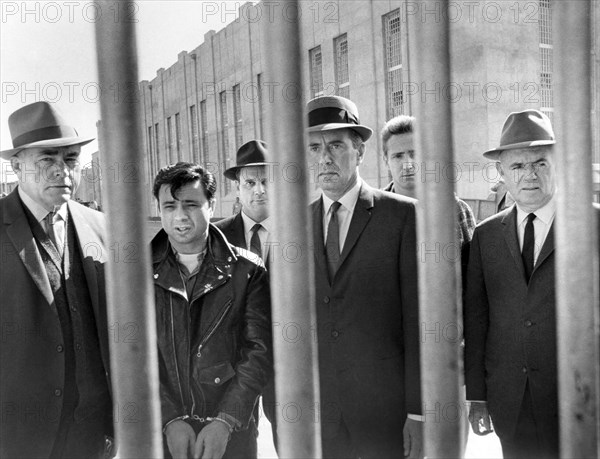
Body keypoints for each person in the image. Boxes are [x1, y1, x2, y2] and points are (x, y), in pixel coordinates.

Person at [464, 109, 600, 458]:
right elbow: (478, 320)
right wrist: (477, 395)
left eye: (540, 162)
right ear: (501, 173)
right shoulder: (486, 235)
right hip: (511, 399)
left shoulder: (592, 223)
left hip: (580, 399)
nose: (529, 175)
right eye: (518, 166)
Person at [306, 95, 422, 458]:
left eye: (336, 145)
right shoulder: (291, 226)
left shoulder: (404, 217)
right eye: (314, 147)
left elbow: (420, 322)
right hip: (316, 417)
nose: (324, 157)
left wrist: (417, 411)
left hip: (385, 416)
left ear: (360, 152)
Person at [0, 101, 113, 458]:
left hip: (93, 432)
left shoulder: (103, 227)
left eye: (70, 159)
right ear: (17, 166)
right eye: (46, 159)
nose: (61, 171)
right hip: (17, 434)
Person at [151, 162, 272, 459]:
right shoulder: (135, 273)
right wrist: (168, 421)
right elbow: (131, 357)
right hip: (161, 435)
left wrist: (225, 421)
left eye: (191, 204)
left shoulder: (247, 270)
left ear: (212, 205)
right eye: (169, 206)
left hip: (230, 434)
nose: (179, 216)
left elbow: (259, 351)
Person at [381, 114, 476, 251]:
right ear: (386, 160)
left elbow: (472, 268)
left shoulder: (456, 209)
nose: (408, 164)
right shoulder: (374, 211)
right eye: (398, 156)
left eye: (414, 154)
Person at [215, 140, 271, 263]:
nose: (259, 191)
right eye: (250, 183)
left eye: (265, 182)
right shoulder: (216, 236)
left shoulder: (297, 231)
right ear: (237, 188)